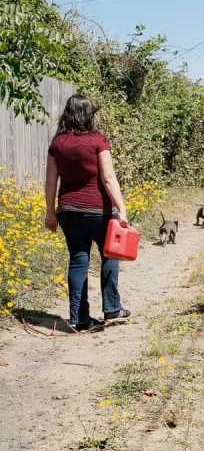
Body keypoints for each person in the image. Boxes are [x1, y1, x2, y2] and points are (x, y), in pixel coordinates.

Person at [44, 94, 131, 331]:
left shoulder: (57, 143)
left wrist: (50, 212)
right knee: (110, 255)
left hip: (68, 211)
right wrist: (122, 209)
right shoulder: (97, 141)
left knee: (78, 260)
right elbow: (108, 177)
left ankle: (79, 319)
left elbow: (51, 182)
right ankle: (112, 310)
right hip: (98, 210)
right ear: (89, 114)